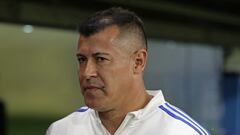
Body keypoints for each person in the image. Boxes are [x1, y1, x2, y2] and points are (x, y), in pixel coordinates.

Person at [46, 7, 210, 135]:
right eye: (82, 60)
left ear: (138, 62)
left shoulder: (181, 132)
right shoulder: (61, 130)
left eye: (101, 59)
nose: (87, 73)